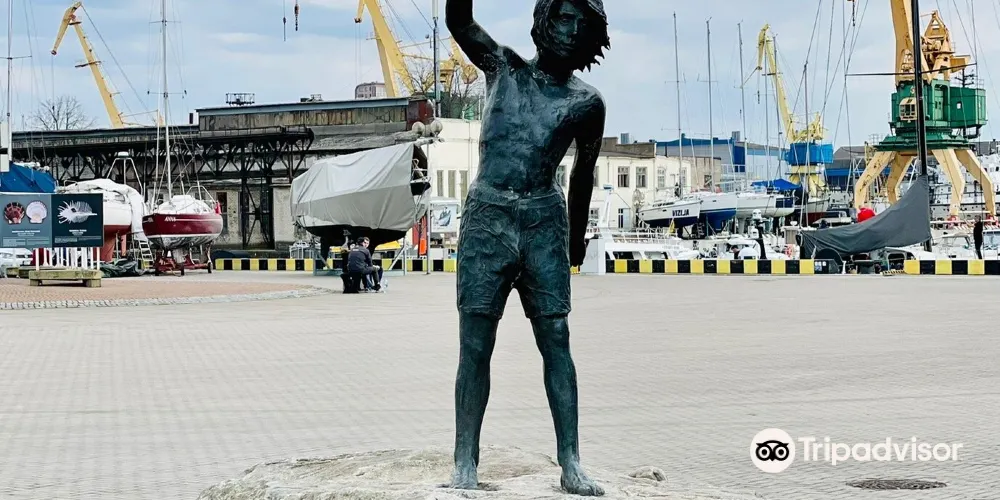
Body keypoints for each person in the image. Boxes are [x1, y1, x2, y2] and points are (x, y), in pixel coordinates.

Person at [446, 0, 609, 495]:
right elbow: (459, 21)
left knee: (556, 339)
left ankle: (571, 462)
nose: (570, 29)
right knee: (475, 344)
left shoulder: (586, 103)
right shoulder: (503, 67)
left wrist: (574, 240)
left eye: (581, 23)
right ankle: (465, 462)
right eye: (562, 17)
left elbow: (583, 176)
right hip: (487, 218)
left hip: (544, 222)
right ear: (542, 21)